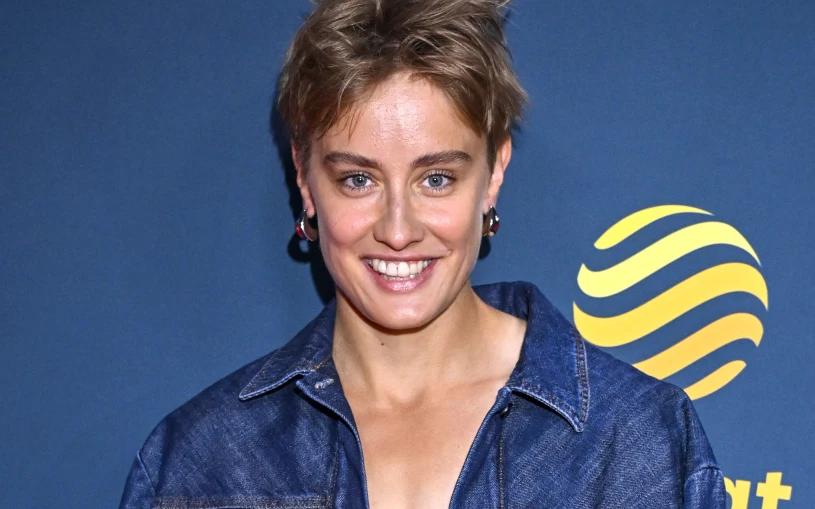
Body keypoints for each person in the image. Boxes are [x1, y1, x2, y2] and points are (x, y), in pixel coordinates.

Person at [119, 0, 726, 507]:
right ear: (305, 179)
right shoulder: (204, 463)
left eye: (436, 179)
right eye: (358, 179)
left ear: (493, 174)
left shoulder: (632, 440)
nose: (398, 230)